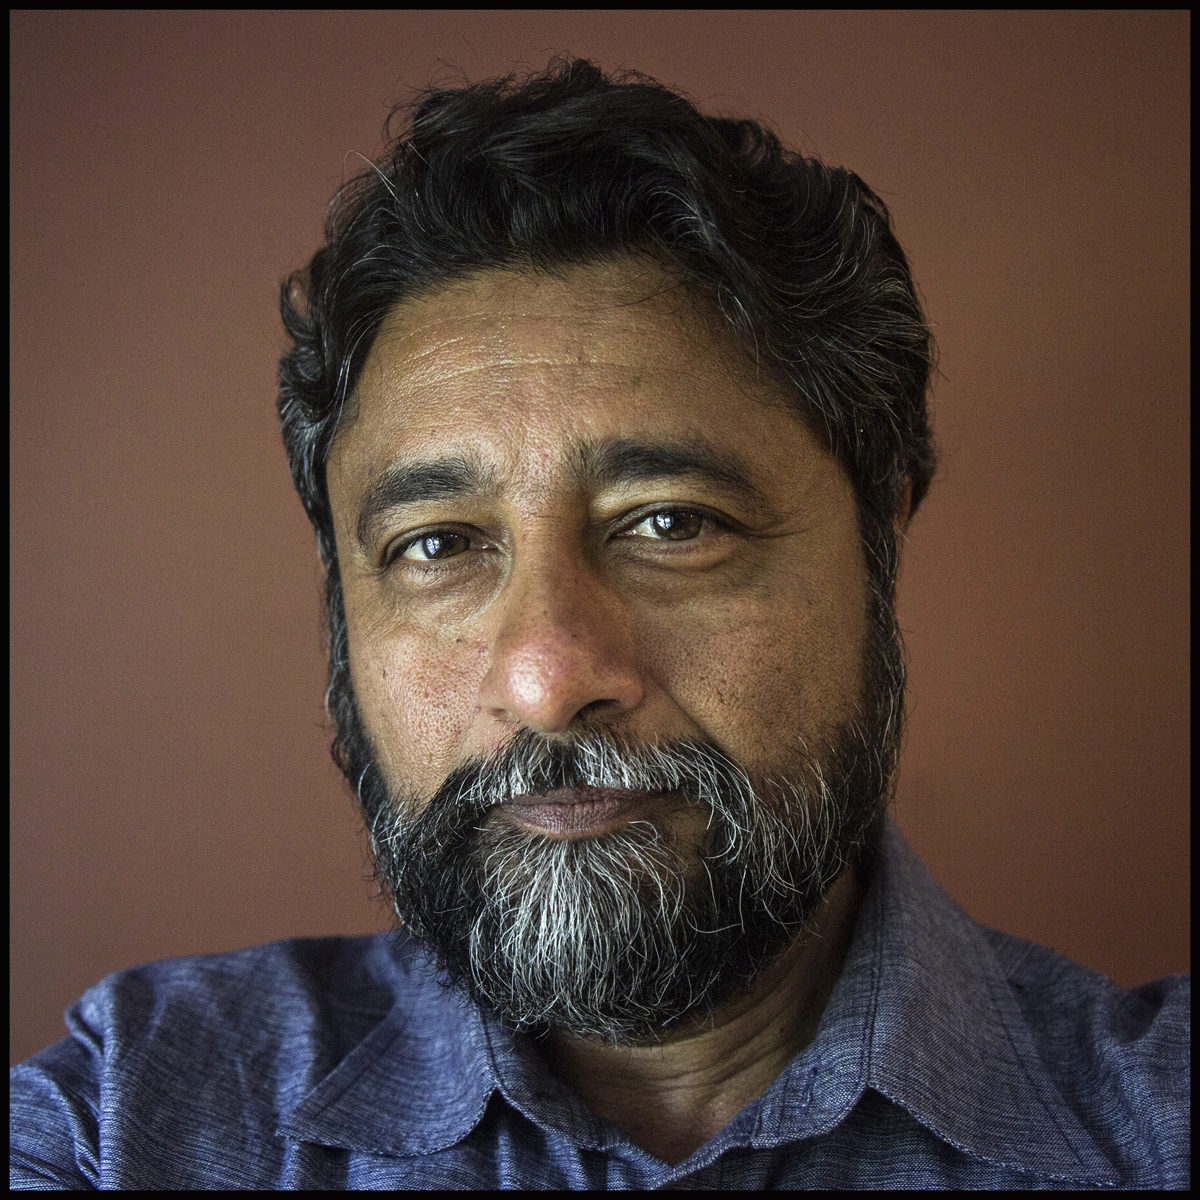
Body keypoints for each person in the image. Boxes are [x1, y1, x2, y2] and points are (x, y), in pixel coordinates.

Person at [9, 57, 1189, 1190]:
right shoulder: (120, 1123)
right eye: (437, 545)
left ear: (880, 539)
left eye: (671, 524)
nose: (545, 676)